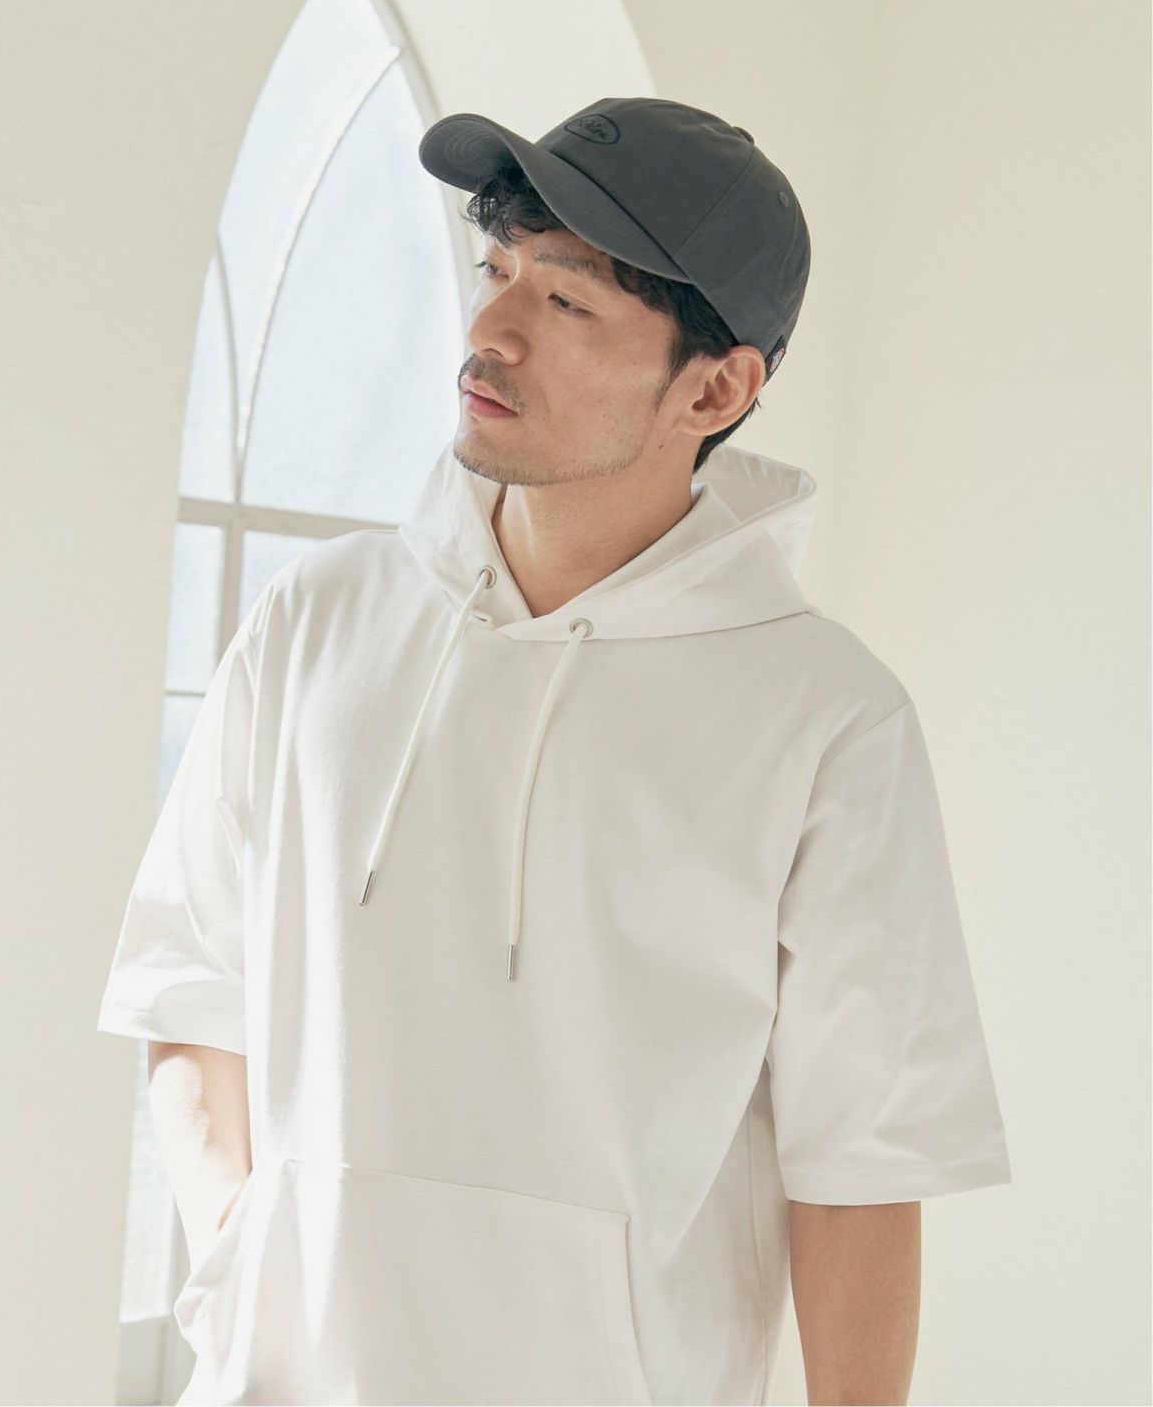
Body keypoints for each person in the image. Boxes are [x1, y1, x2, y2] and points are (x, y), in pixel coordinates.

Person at [97, 96, 1012, 1406]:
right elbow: (191, 986)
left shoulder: (827, 719)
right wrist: (237, 1270)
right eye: (498, 270)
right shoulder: (318, 621)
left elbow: (862, 1167)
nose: (492, 330)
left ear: (716, 388)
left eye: (569, 301)